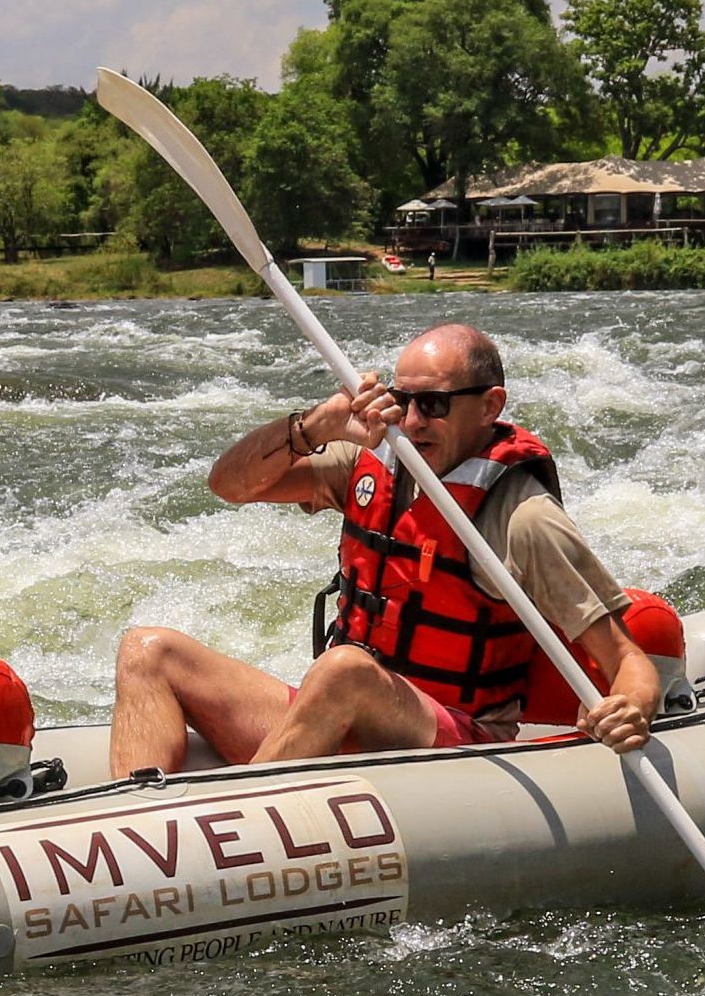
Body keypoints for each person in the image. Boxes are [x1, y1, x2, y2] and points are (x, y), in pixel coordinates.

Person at [108, 322, 656, 773]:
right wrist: (315, 425)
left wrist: (628, 708)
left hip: (456, 742)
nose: (413, 421)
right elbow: (229, 485)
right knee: (148, 650)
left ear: (490, 406)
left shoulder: (524, 520)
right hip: (344, 709)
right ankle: (133, 833)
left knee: (344, 669)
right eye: (403, 400)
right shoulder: (370, 467)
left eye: (435, 404)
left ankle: (230, 821)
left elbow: (628, 660)